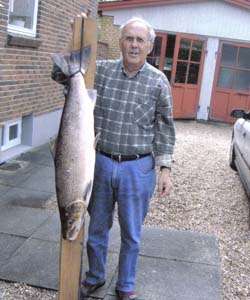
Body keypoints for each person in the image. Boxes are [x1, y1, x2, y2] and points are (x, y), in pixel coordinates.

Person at [52, 16, 175, 300]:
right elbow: (60, 77)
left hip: (138, 167)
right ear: (120, 42)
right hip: (101, 163)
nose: (133, 45)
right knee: (96, 227)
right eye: (129, 38)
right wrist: (69, 54)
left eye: (139, 40)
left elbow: (166, 126)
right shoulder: (100, 71)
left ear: (149, 46)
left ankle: (125, 284)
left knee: (132, 233)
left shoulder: (158, 81)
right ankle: (95, 277)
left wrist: (165, 168)